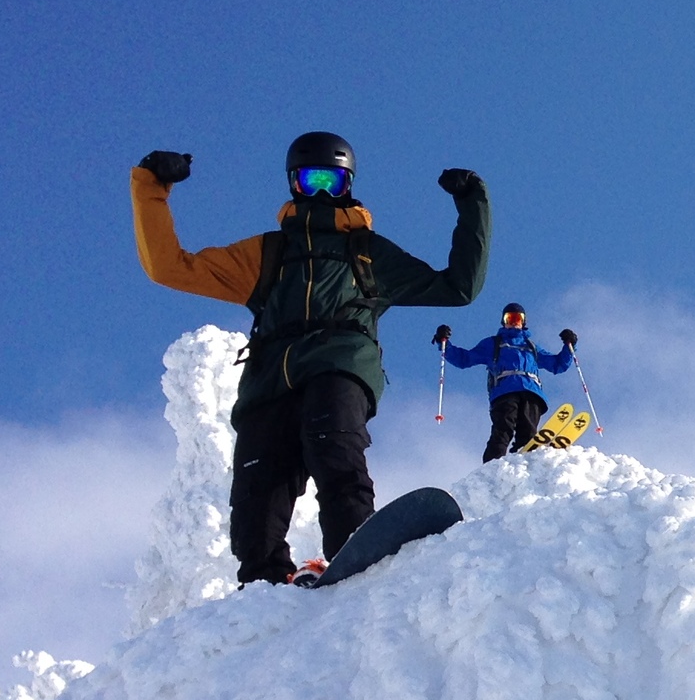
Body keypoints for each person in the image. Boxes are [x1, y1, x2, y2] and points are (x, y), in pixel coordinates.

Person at [132, 133, 489, 584]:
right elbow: (170, 267)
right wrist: (151, 186)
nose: (322, 191)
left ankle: (353, 546)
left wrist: (471, 202)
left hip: (339, 362)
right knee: (256, 493)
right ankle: (265, 583)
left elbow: (458, 287)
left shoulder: (367, 252)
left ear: (349, 184)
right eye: (311, 179)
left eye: (333, 181)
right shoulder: (267, 253)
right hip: (268, 380)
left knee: (333, 445)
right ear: (294, 184)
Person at [435, 305, 579, 460]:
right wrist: (444, 343)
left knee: (528, 430)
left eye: (518, 319)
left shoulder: (531, 347)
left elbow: (557, 364)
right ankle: (493, 463)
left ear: (524, 322)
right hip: (505, 391)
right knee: (503, 428)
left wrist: (569, 345)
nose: (514, 322)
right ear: (503, 321)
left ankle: (525, 458)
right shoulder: (493, 344)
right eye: (510, 318)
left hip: (532, 392)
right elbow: (464, 359)